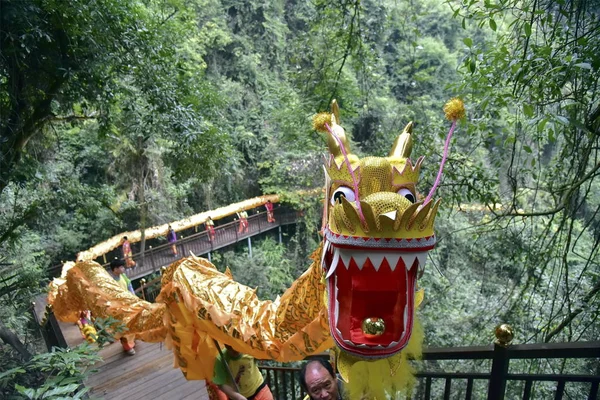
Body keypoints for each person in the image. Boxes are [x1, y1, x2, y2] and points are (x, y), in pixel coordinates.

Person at [109, 259, 136, 355]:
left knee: (131, 324)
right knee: (122, 327)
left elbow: (129, 286)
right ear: (115, 269)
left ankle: (132, 341)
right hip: (118, 308)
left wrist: (133, 297)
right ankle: (127, 347)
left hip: (128, 304)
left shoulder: (123, 276)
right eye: (121, 267)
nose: (123, 268)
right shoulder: (110, 281)